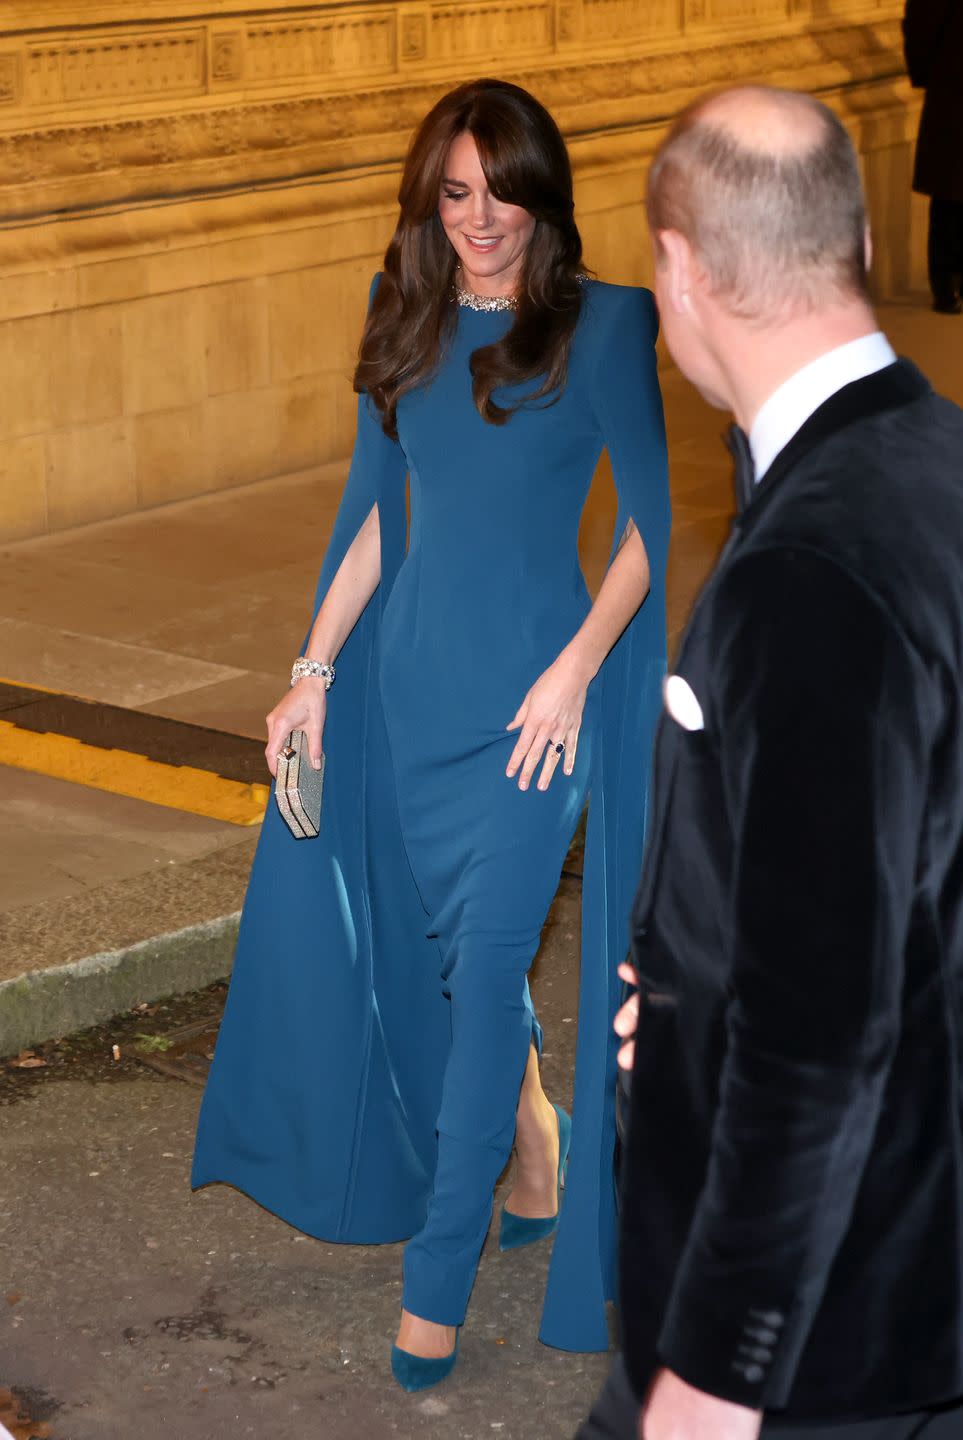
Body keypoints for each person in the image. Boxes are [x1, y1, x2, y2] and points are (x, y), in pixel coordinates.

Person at [192, 77, 670, 1390]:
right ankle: (531, 1147)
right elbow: (368, 509)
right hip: (406, 697)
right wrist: (311, 670)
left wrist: (576, 671)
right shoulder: (397, 315)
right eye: (455, 194)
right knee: (466, 976)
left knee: (484, 972)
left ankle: (431, 1291)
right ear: (429, 202)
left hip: (530, 718)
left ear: (539, 196)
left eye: (503, 192)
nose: (480, 220)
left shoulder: (602, 328)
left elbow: (645, 527)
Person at [577, 85, 963, 1439]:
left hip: (817, 1337)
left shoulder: (806, 567)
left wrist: (722, 1366)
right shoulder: (936, 460)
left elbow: (817, 1024)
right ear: (848, 237)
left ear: (677, 269)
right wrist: (689, 990)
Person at [903, 0, 963, 314]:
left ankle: (946, 285)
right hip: (951, 86)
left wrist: (931, 74)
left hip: (951, 86)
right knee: (950, 190)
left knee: (948, 193)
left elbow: (919, 31)